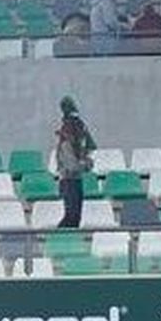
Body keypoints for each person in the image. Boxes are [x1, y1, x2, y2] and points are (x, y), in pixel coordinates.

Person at [51, 97, 96, 229]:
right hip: (68, 180)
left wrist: (85, 160)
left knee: (76, 216)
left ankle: (68, 236)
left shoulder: (77, 136)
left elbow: (89, 146)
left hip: (76, 180)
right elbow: (71, 165)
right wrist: (85, 164)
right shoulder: (65, 142)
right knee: (71, 215)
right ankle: (58, 236)